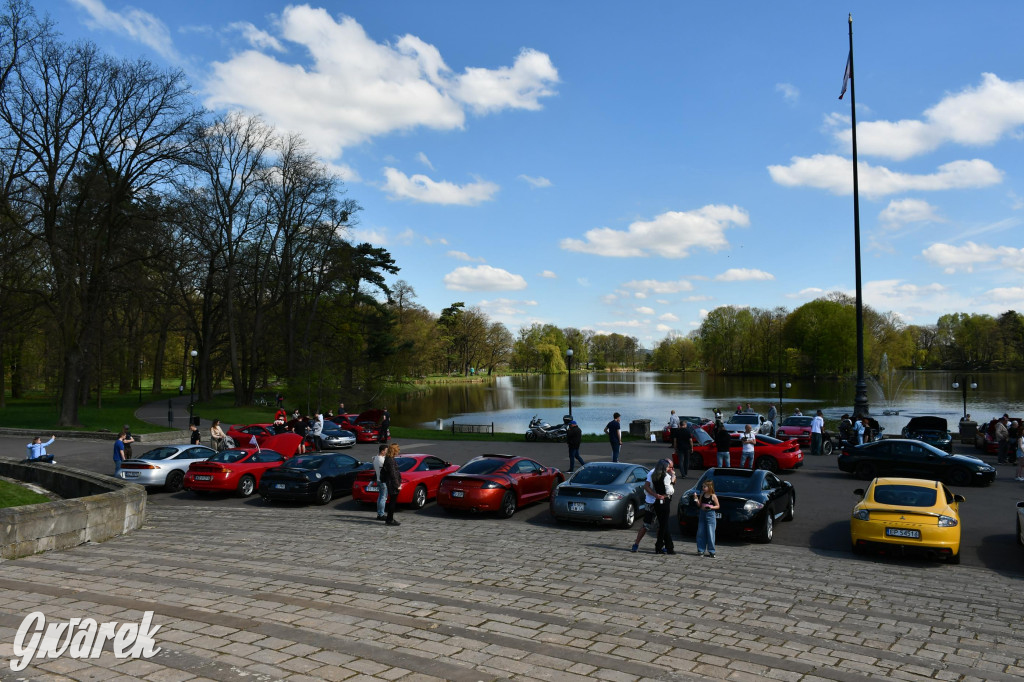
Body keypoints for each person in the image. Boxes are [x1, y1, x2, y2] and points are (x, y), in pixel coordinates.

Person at [645, 459, 675, 554]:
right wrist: (672, 479)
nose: (668, 468)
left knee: (663, 524)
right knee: (663, 525)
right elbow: (670, 491)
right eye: (667, 466)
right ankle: (660, 545)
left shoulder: (654, 476)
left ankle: (668, 546)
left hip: (657, 501)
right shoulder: (666, 476)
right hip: (665, 500)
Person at [694, 479, 721, 558]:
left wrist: (711, 508)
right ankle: (701, 549)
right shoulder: (702, 494)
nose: (703, 488)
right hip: (702, 514)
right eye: (702, 486)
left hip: (710, 514)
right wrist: (695, 498)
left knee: (710, 532)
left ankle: (711, 551)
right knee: (701, 532)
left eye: (705, 486)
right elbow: (699, 504)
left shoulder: (713, 496)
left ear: (709, 487)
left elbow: (718, 506)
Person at [381, 442, 403, 526]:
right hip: (392, 483)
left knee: (392, 501)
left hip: (391, 482)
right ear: (394, 451)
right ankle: (390, 519)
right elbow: (393, 474)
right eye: (397, 450)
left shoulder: (389, 458)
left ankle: (389, 518)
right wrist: (397, 485)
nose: (398, 452)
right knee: (392, 502)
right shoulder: (390, 460)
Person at [373, 443, 389, 520]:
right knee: (383, 498)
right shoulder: (381, 459)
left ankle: (379, 513)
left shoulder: (375, 458)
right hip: (383, 481)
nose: (387, 452)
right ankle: (381, 514)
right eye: (386, 450)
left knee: (380, 497)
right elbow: (386, 470)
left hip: (378, 479)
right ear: (382, 451)